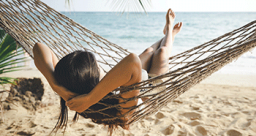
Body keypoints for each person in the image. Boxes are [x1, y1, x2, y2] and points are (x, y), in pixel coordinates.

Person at [33, 9, 182, 134]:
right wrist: (90, 98)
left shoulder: (72, 89)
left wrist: (55, 86)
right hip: (150, 91)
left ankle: (166, 35)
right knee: (161, 52)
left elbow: (38, 47)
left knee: (149, 52)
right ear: (93, 80)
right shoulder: (122, 106)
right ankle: (170, 32)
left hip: (133, 78)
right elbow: (132, 61)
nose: (100, 66)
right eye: (97, 66)